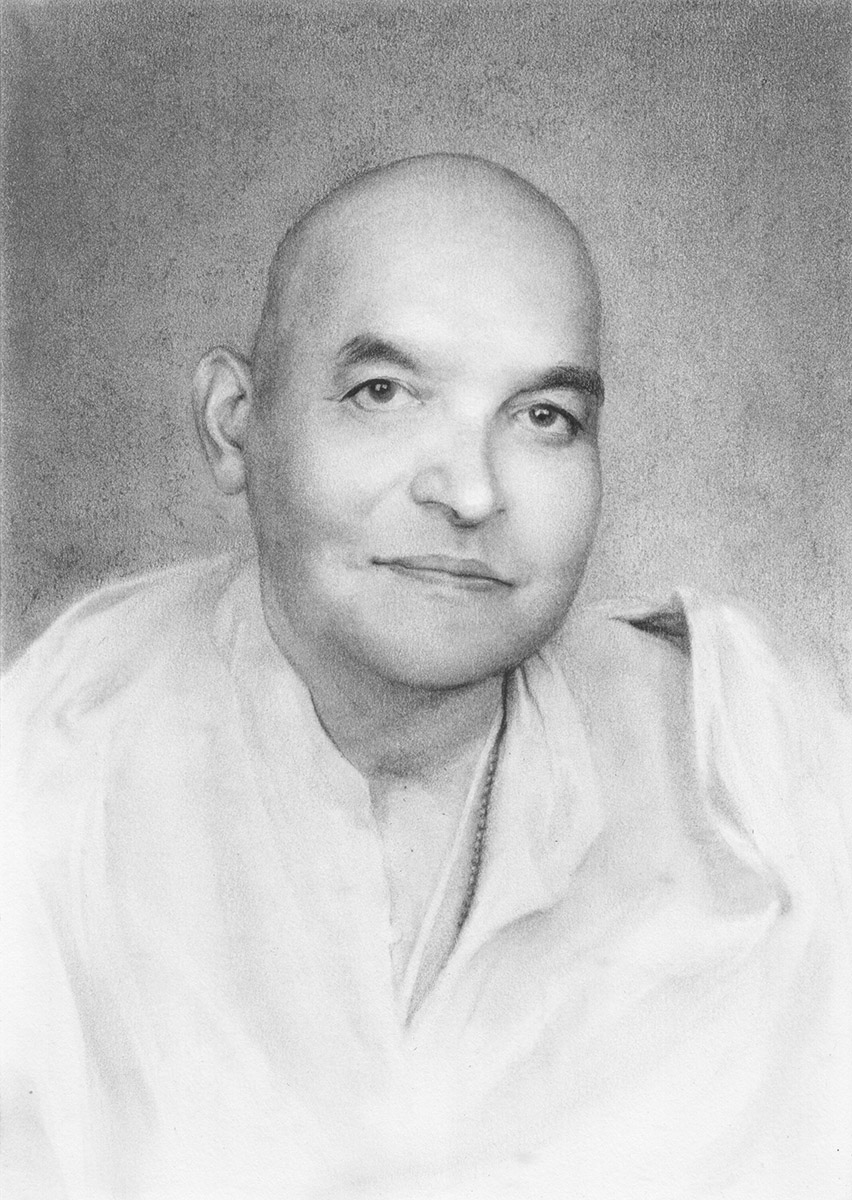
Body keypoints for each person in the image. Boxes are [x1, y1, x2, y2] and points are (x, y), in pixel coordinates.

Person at [1, 153, 850, 1200]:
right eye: (385, 394)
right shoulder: (54, 764)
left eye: (543, 416)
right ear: (234, 422)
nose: (473, 491)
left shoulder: (757, 767)